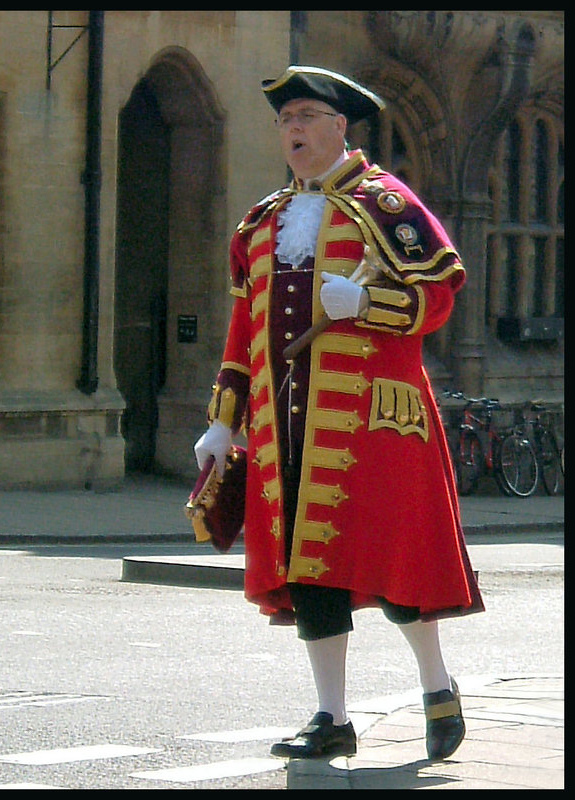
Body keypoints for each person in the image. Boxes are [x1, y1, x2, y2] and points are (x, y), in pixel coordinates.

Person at [193, 65, 484, 761]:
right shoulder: (262, 224)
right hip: (285, 426)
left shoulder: (385, 203)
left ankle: (436, 684)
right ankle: (330, 717)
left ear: (337, 127)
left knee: (395, 559)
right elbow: (243, 336)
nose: (291, 131)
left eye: (303, 117)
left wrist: (368, 306)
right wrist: (222, 422)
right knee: (306, 566)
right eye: (284, 121)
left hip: (372, 421)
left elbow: (438, 298)